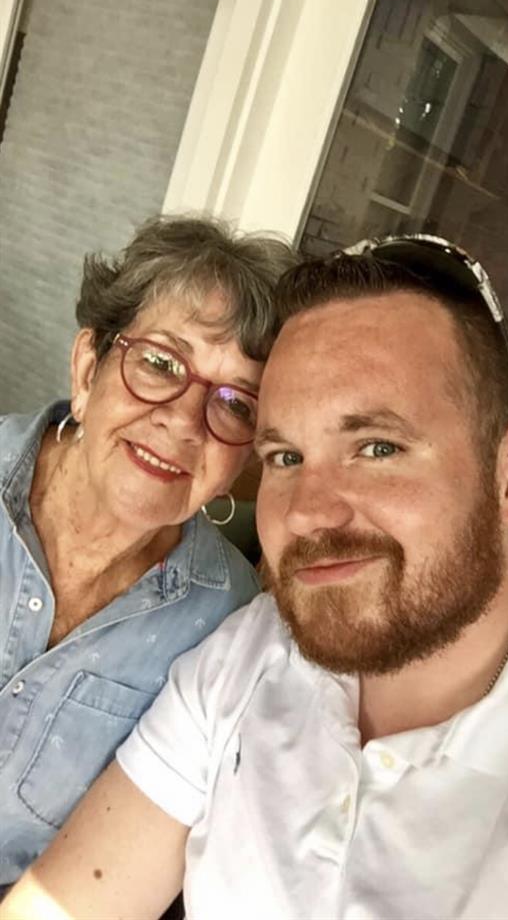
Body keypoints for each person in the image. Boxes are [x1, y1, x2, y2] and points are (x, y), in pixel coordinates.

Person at [2, 235, 508, 920]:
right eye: (286, 455)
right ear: (87, 368)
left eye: (377, 447)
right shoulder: (248, 654)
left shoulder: (214, 610)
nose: (310, 513)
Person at [0, 214, 295, 893]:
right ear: (87, 366)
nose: (183, 422)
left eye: (235, 403)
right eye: (160, 364)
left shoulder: (224, 624)